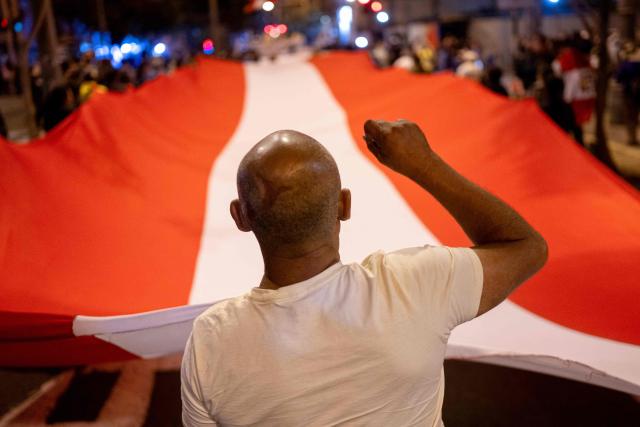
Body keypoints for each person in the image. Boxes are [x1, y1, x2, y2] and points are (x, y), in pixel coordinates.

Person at [181, 120, 548, 426]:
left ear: (240, 216)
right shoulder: (414, 284)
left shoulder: (210, 342)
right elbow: (525, 246)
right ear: (344, 205)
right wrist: (422, 163)